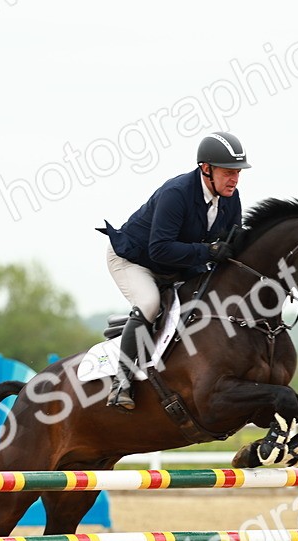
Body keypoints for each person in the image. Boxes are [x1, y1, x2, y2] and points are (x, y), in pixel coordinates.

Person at [96, 131, 251, 411]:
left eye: (237, 172)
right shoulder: (176, 193)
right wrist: (208, 252)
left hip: (175, 264)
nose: (234, 179)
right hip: (135, 260)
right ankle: (121, 383)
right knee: (150, 302)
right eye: (228, 172)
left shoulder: (231, 198)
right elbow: (160, 249)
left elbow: (231, 243)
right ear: (206, 168)